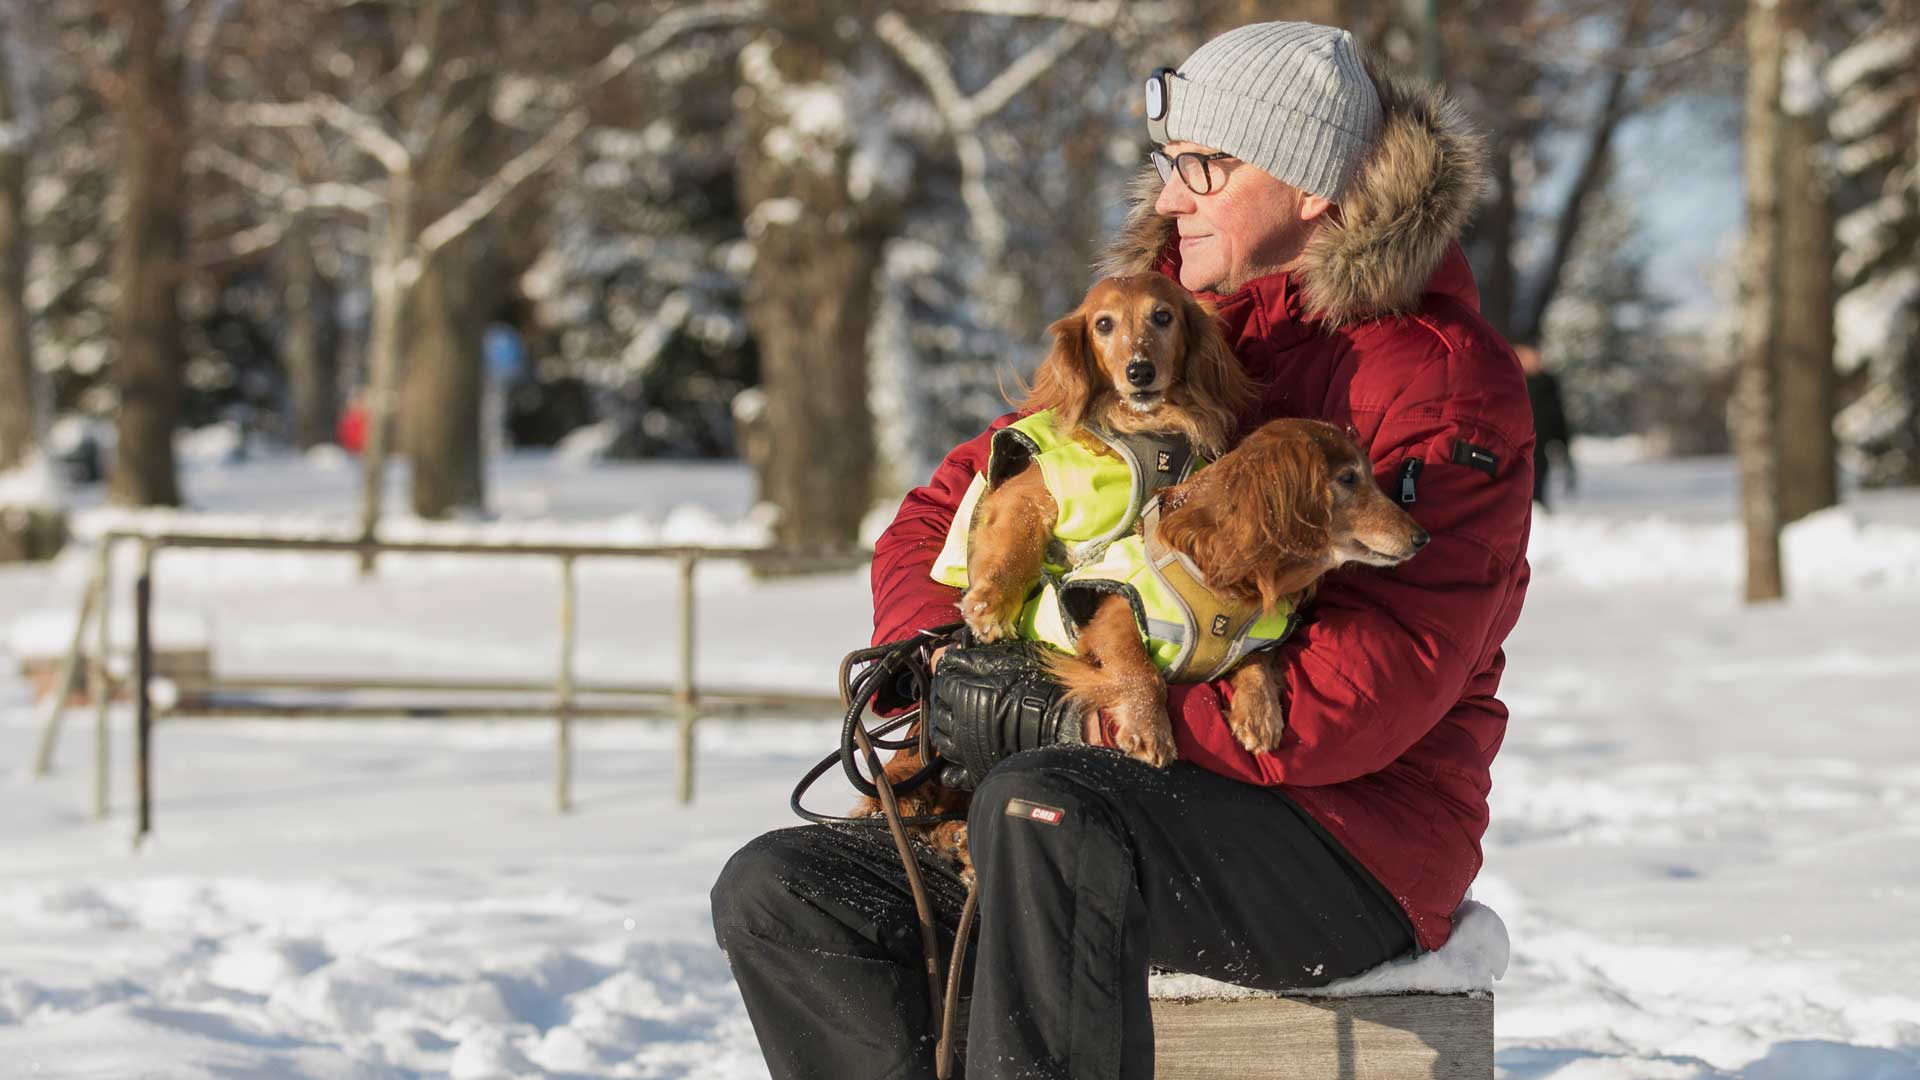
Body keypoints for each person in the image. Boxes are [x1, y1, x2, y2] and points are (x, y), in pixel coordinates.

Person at [711, 22, 1534, 1080]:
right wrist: (940, 663)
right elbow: (950, 507)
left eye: (1206, 166)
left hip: (1346, 841)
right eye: (1168, 166)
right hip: (1098, 797)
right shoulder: (1163, 336)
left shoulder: (1433, 378)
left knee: (1046, 806)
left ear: (1315, 189)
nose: (1172, 196)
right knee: (785, 887)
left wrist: (1075, 711)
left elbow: (1372, 687)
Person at [1515, 342, 1573, 508]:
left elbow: (1556, 416)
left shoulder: (1548, 382)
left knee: (1536, 490)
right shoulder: (1509, 379)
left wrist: (1563, 443)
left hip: (1539, 446)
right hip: (1514, 446)